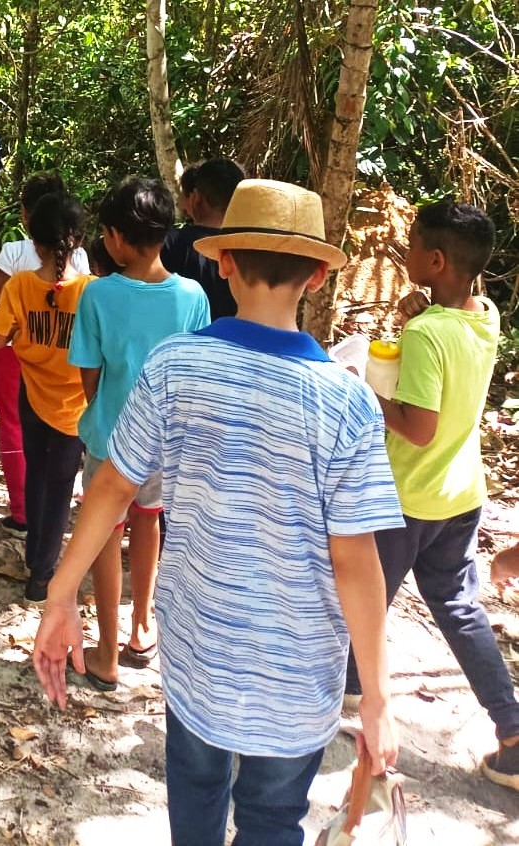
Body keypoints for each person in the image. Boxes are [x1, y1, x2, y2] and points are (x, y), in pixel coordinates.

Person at [32, 180, 402, 845]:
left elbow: (114, 487)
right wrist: (374, 697)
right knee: (271, 822)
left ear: (225, 262)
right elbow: (356, 562)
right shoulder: (348, 406)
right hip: (297, 683)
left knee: (196, 808)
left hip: (198, 662)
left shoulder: (175, 366)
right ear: (318, 276)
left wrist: (61, 597)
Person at [342, 201, 519, 792]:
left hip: (407, 497)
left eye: (413, 245)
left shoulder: (426, 332)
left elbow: (418, 425)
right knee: (460, 607)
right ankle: (513, 729)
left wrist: (363, 387)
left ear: (436, 259)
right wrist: (415, 317)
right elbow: (446, 353)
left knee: (362, 594)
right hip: (460, 492)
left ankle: (334, 693)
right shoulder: (485, 314)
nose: (404, 252)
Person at [67, 178, 210, 689]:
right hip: (167, 444)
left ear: (117, 237)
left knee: (106, 534)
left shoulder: (98, 295)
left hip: (110, 440)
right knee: (149, 524)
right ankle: (142, 627)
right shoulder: (192, 296)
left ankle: (105, 652)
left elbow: (89, 375)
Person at [0, 192, 93, 603]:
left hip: (31, 394)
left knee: (35, 471)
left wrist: (19, 335)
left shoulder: (19, 286)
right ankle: (42, 573)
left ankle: (35, 559)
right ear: (79, 240)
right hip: (75, 407)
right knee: (62, 484)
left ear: (34, 239)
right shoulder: (91, 291)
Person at [161, 157, 244, 319]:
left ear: (196, 197)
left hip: (184, 341)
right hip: (239, 341)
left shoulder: (170, 243)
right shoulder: (253, 246)